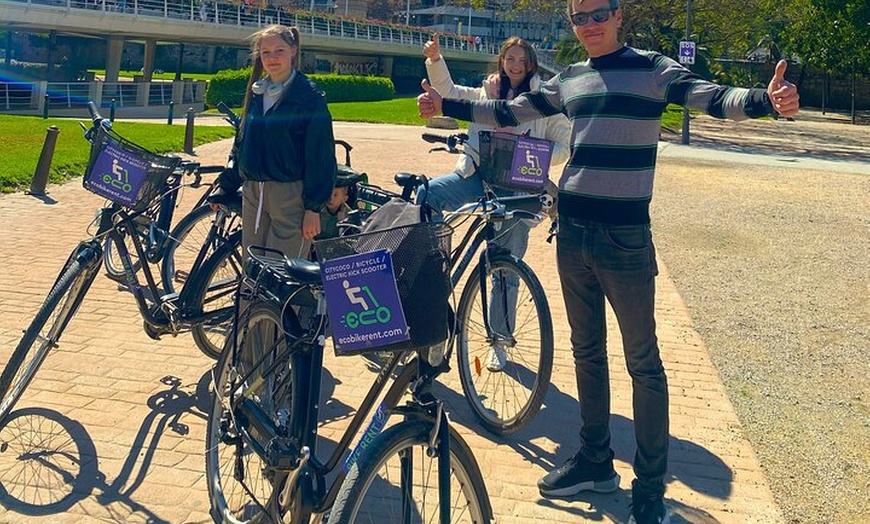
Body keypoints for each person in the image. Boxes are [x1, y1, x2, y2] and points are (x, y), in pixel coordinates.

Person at [416, 0, 800, 522]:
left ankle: (648, 489)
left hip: (625, 238)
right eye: (579, 18)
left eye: (599, 13)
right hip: (572, 230)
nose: (590, 24)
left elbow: (709, 96)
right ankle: (595, 461)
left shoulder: (652, 69)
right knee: (586, 353)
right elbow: (507, 112)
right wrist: (446, 104)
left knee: (644, 362)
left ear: (619, 16)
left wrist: (764, 99)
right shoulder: (570, 79)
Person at [417, 34, 571, 371]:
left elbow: (565, 144)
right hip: (477, 173)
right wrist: (435, 59)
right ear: (501, 61)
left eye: (521, 59)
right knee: (427, 195)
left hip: (517, 186)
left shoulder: (543, 99)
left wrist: (533, 158)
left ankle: (499, 340)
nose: (515, 65)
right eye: (509, 58)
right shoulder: (487, 92)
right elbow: (451, 94)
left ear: (531, 64)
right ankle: (432, 265)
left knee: (504, 264)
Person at [211, 24, 337, 260]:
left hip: (291, 195)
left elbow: (321, 155)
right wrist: (226, 184)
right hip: (254, 193)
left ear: (293, 51)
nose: (272, 58)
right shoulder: (257, 94)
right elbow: (242, 143)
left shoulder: (309, 97)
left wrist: (313, 208)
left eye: (279, 50)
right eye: (265, 52)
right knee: (253, 267)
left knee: (281, 269)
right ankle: (247, 300)